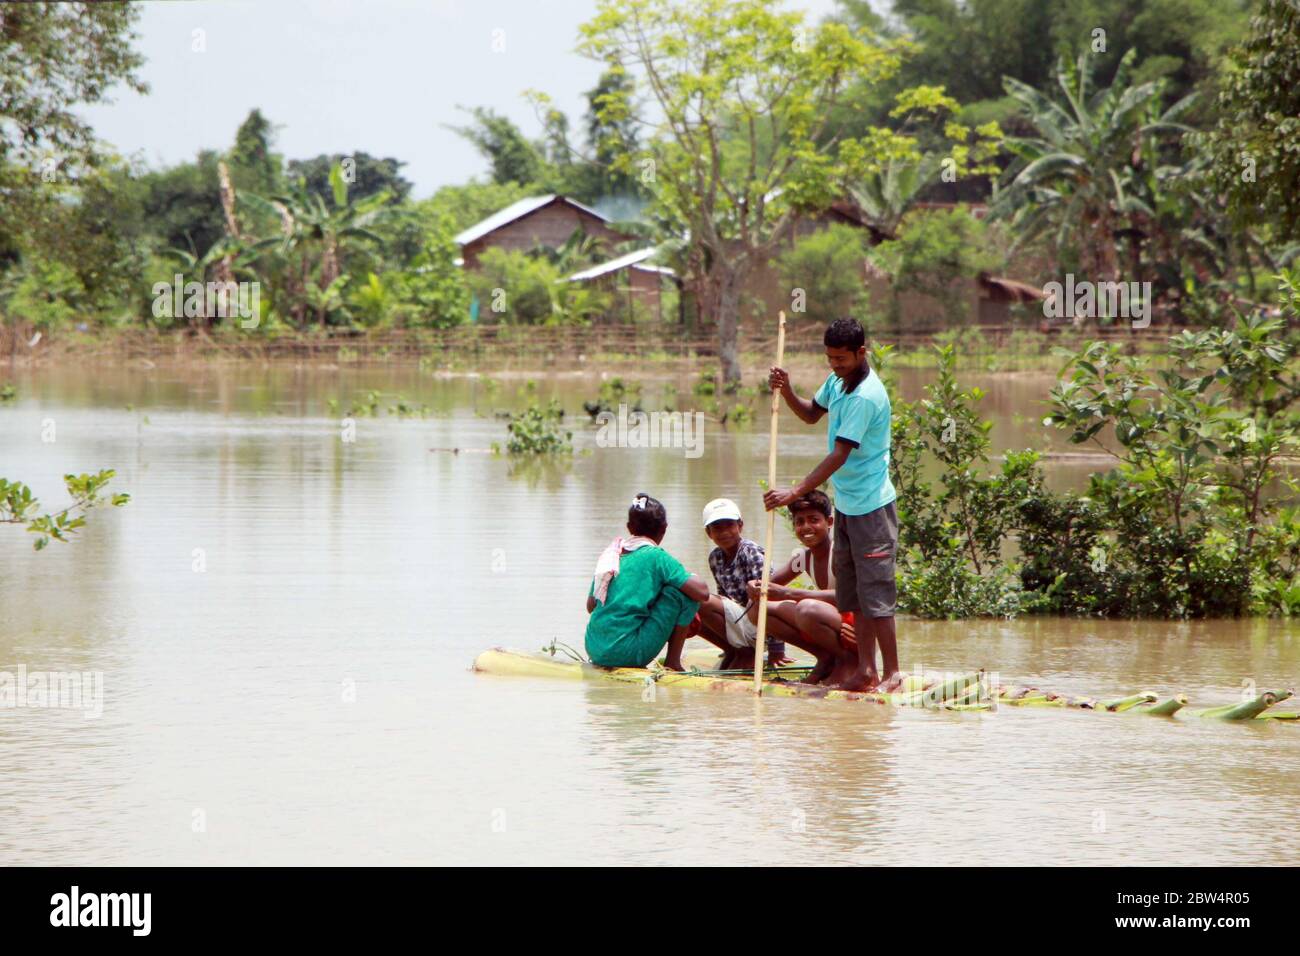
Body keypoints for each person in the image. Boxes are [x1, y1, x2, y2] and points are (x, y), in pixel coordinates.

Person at [763, 317, 901, 692]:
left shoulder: (865, 396)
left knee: (876, 592)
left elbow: (840, 453)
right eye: (830, 358)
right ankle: (865, 670)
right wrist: (787, 390)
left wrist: (795, 492)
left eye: (841, 359)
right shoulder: (839, 383)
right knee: (853, 593)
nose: (835, 365)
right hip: (848, 505)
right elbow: (810, 414)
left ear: (861, 353)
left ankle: (892, 674)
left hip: (872, 507)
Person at [743, 489, 858, 685]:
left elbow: (851, 596)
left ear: (829, 523)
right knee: (756, 608)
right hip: (830, 621)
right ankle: (825, 657)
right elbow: (768, 585)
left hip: (855, 628)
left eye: (814, 520)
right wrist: (754, 585)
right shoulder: (803, 558)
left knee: (807, 608)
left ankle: (849, 661)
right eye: (799, 522)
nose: (806, 527)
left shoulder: (840, 552)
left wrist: (788, 593)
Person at [584, 493, 710, 670]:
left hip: (594, 648)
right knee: (682, 593)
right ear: (664, 528)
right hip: (628, 653)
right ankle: (673, 662)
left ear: (629, 527)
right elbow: (702, 593)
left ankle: (610, 653)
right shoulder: (656, 557)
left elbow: (591, 606)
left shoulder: (611, 555)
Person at [694, 498, 790, 671]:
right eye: (717, 528)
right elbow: (723, 597)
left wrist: (777, 649)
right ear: (709, 533)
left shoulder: (749, 552)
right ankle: (732, 649)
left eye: (729, 525)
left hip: (760, 624)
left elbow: (769, 598)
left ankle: (747, 653)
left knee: (703, 601)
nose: (724, 533)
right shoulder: (715, 558)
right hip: (740, 621)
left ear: (740, 525)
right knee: (690, 607)